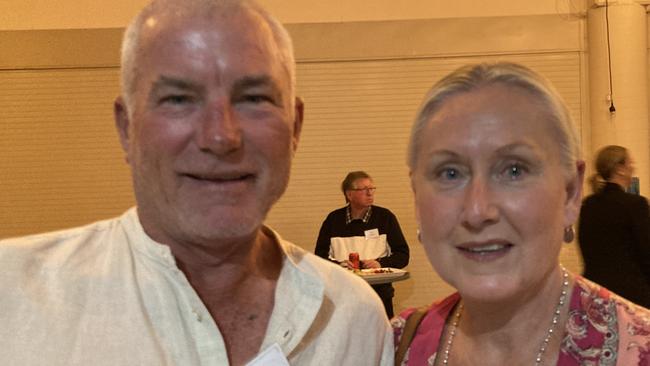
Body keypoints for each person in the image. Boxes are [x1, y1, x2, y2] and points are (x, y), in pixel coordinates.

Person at [0, 1, 393, 365]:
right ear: (126, 128)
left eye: (254, 98)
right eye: (178, 99)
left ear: (295, 126)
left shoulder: (353, 319)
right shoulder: (13, 298)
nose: (220, 136)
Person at [393, 62, 650, 366]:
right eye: (449, 173)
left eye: (514, 170)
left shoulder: (639, 348)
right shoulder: (392, 346)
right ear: (416, 198)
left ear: (570, 192)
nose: (478, 211)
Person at [315, 171, 410, 318]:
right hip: (343, 295)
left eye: (372, 189)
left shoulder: (385, 217)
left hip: (379, 295)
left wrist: (380, 264)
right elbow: (319, 258)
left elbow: (402, 254)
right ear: (349, 194)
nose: (370, 193)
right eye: (364, 189)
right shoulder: (333, 220)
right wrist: (339, 266)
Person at [578, 145, 650, 308]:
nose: (633, 167)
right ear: (620, 169)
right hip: (631, 296)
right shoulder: (636, 205)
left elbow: (585, 247)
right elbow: (646, 253)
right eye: (629, 163)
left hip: (595, 294)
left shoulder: (588, 205)